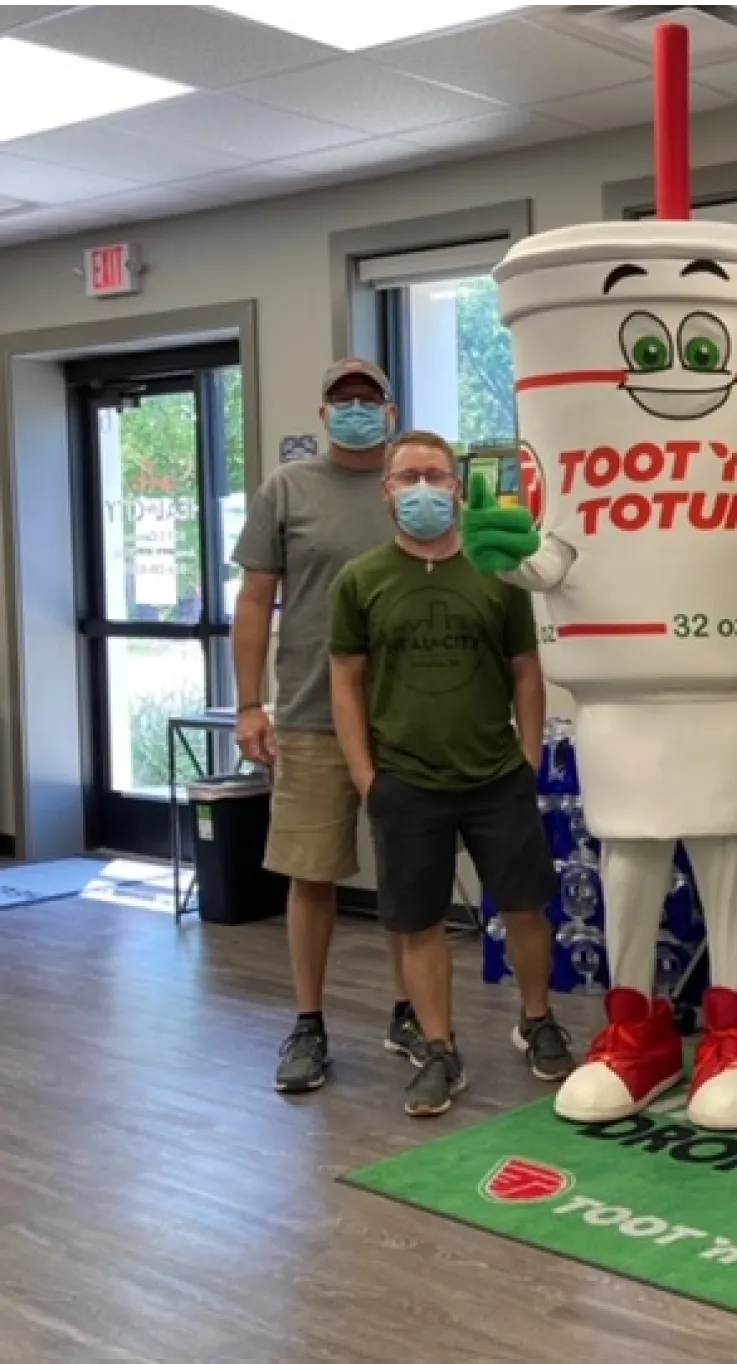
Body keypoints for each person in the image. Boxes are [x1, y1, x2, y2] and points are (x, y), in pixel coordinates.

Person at [328, 431, 573, 1118]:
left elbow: (527, 670)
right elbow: (346, 680)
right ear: (387, 492)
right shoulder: (362, 580)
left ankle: (537, 1018)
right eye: (408, 477)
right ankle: (439, 1047)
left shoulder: (497, 572)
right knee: (419, 922)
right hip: (405, 780)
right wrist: (365, 774)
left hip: (496, 773)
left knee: (526, 905)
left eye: (436, 475)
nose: (424, 488)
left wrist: (527, 760)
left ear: (459, 488)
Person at [232, 358, 429, 1094]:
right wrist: (251, 703)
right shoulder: (288, 490)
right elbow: (255, 602)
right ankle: (308, 1025)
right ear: (323, 414)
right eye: (341, 399)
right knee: (310, 875)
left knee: (410, 879)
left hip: (408, 717)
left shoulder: (413, 491)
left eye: (367, 398)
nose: (355, 408)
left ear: (389, 408)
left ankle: (410, 1012)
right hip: (313, 713)